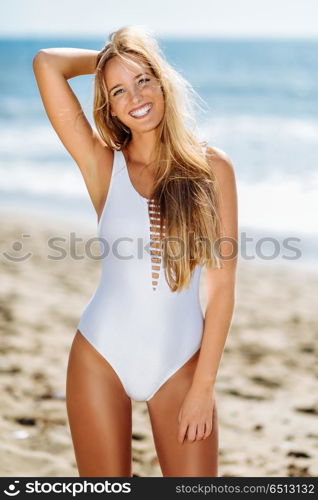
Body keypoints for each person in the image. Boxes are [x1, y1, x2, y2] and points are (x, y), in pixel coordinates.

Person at [32, 25, 238, 477]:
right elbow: (47, 63)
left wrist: (203, 387)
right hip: (100, 354)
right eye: (118, 91)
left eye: (143, 79)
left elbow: (221, 288)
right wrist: (111, 58)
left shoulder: (213, 169)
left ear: (162, 80)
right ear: (110, 106)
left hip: (180, 364)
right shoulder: (103, 163)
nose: (135, 97)